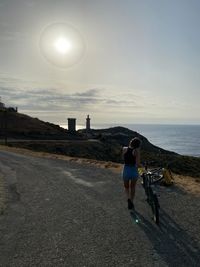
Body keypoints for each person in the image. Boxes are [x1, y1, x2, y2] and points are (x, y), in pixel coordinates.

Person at [122, 137, 141, 210]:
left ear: (131, 142)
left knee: (126, 187)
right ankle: (132, 201)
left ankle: (128, 199)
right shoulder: (136, 152)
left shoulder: (124, 149)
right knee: (132, 187)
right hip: (133, 170)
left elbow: (122, 158)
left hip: (126, 169)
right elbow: (137, 164)